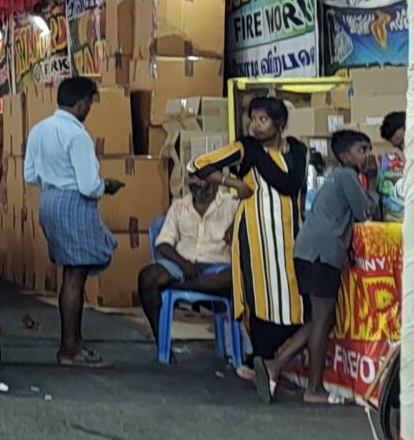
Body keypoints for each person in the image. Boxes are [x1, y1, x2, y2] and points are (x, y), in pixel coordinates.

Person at [195, 94, 314, 385]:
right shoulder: (245, 149)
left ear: (280, 123)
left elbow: (297, 191)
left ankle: (276, 360)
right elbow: (199, 165)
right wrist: (234, 183)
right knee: (260, 296)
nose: (256, 126)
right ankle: (259, 359)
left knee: (297, 297)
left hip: (291, 236)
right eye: (253, 119)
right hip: (256, 237)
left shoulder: (298, 151)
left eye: (263, 120)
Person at [262, 129, 382, 404]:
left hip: (309, 250)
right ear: (343, 155)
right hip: (323, 253)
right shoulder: (346, 176)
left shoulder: (338, 177)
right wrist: (373, 183)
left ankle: (276, 365)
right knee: (323, 319)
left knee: (319, 319)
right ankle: (313, 388)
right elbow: (365, 212)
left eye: (368, 149)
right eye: (361, 150)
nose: (368, 155)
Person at [23, 76, 116, 369]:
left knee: (71, 273)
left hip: (49, 200)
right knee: (75, 276)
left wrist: (54, 179)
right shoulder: (77, 136)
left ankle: (73, 342)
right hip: (74, 203)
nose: (89, 108)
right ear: (81, 102)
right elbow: (89, 185)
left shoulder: (39, 130)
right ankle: (69, 348)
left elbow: (29, 175)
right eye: (89, 102)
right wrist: (107, 185)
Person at [134, 171, 240, 333]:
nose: (197, 182)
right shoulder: (179, 206)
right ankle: (161, 340)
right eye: (193, 177)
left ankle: (175, 286)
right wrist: (184, 265)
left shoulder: (232, 206)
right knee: (147, 277)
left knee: (232, 280)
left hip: (218, 267)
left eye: (203, 178)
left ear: (217, 181)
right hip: (182, 265)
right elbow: (163, 243)